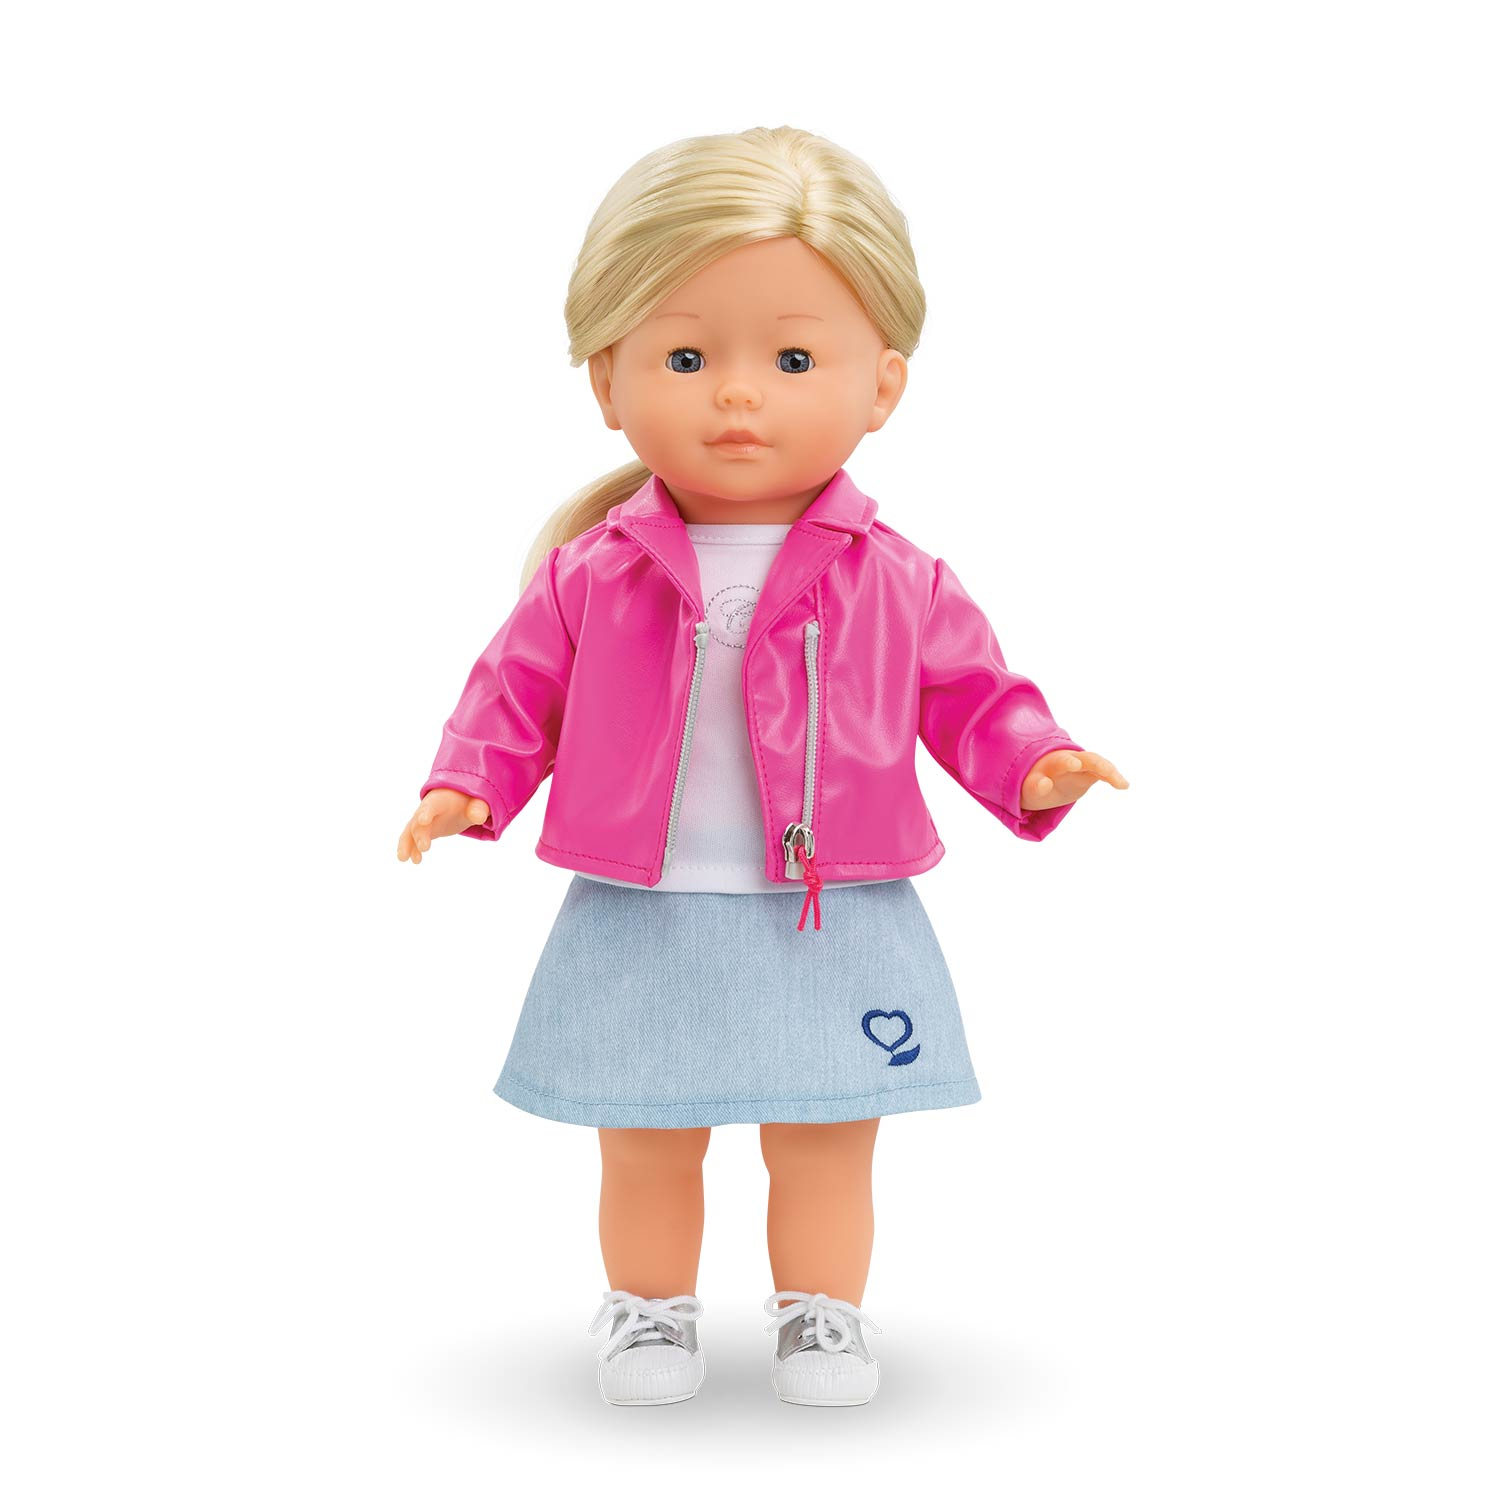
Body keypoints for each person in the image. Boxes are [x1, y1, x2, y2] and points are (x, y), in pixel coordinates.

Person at [397, 126, 1128, 1408]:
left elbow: (970, 692)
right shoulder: (594, 573)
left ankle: (823, 1313)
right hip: (645, 904)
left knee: (827, 1139)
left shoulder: (897, 577)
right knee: (646, 1140)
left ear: (883, 385)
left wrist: (1037, 761)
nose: (738, 396)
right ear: (608, 379)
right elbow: (515, 690)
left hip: (832, 908)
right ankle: (649, 1311)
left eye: (793, 360)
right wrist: (471, 784)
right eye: (687, 358)